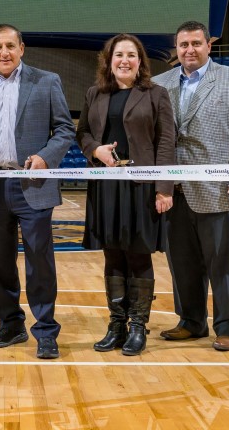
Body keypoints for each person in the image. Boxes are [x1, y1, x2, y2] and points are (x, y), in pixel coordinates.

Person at [0, 24, 75, 360]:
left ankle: (46, 331)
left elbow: (65, 129)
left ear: (22, 48)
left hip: (33, 184)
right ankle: (11, 324)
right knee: (0, 261)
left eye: (11, 45)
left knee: (40, 261)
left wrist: (45, 156)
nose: (5, 52)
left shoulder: (47, 81)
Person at [152, 20, 229, 351]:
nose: (189, 50)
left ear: (209, 46)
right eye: (183, 44)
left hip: (223, 191)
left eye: (196, 43)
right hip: (176, 190)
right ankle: (190, 321)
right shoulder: (159, 84)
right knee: (182, 262)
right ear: (176, 48)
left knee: (226, 264)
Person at [75, 34, 176, 356]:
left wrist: (163, 188)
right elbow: (83, 134)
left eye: (131, 55)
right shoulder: (95, 93)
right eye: (119, 54)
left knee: (138, 254)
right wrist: (96, 151)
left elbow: (166, 142)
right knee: (113, 254)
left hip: (141, 186)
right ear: (109, 60)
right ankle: (116, 324)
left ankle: (137, 326)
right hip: (106, 185)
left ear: (140, 61)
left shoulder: (156, 94)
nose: (125, 60)